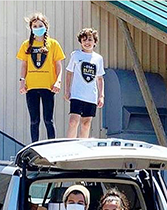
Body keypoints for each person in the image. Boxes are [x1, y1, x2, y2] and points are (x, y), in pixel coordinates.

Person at [17, 13, 65, 142]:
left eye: (40, 25)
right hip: (31, 86)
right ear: (31, 28)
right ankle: (34, 144)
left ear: (46, 27)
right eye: (35, 26)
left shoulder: (53, 44)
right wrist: (22, 82)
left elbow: (58, 65)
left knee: (48, 119)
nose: (38, 28)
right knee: (34, 120)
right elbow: (24, 65)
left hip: (48, 86)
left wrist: (58, 81)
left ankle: (51, 144)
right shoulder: (26, 45)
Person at [65, 28, 105, 138]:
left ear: (95, 42)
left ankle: (81, 146)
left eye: (90, 40)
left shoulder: (98, 59)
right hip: (77, 94)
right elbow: (69, 73)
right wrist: (67, 90)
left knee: (86, 124)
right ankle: (69, 145)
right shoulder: (76, 55)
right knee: (73, 121)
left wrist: (101, 95)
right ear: (81, 42)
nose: (87, 43)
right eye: (84, 40)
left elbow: (100, 78)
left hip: (91, 95)